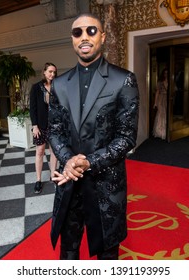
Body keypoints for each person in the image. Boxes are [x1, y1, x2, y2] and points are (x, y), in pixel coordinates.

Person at [48, 13, 139, 260]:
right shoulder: (59, 84)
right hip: (69, 183)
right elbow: (54, 130)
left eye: (91, 31)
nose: (84, 37)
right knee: (68, 251)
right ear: (72, 40)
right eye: (77, 32)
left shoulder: (123, 80)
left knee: (107, 255)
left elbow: (126, 137)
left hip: (106, 185)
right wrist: (68, 160)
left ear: (103, 36)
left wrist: (89, 162)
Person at [30, 62, 58, 194]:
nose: (52, 74)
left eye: (54, 72)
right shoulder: (36, 88)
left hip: (54, 125)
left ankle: (53, 176)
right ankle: (38, 180)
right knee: (40, 152)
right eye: (50, 72)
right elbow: (33, 108)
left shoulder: (57, 87)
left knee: (54, 152)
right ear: (44, 72)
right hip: (40, 126)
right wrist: (34, 126)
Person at [153, 68, 168, 140]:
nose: (166, 74)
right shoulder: (160, 82)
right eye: (165, 73)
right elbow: (157, 92)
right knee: (161, 114)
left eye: (167, 73)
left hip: (168, 99)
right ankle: (160, 132)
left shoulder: (171, 81)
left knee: (166, 115)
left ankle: (167, 132)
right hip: (161, 99)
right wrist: (155, 103)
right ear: (163, 74)